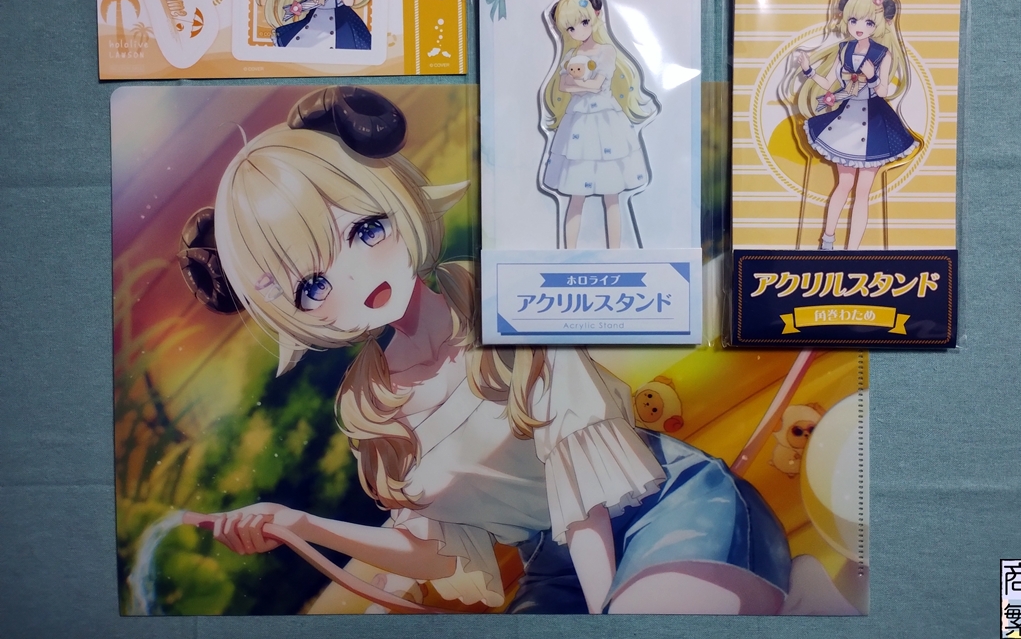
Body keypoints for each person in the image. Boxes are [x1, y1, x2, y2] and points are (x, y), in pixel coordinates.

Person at [178, 86, 794, 614]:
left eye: (366, 229)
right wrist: (302, 526)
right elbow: (435, 551)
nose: (358, 276)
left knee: (646, 613)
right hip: (557, 561)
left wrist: (604, 614)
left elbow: (584, 492)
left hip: (664, 504)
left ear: (393, 195)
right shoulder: (371, 407)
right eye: (313, 286)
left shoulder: (503, 299)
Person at [789, 0, 918, 251]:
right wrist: (808, 70)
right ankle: (827, 241)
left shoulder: (883, 54)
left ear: (879, 23)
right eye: (854, 20)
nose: (860, 27)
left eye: (868, 22)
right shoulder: (843, 49)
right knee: (843, 184)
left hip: (874, 124)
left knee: (863, 192)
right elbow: (829, 83)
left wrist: (871, 78)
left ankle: (853, 251)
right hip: (846, 119)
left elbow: (882, 91)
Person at [540, 0, 655, 249]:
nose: (578, 31)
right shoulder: (570, 56)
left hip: (605, 122)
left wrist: (579, 85)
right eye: (570, 28)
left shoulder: (606, 52)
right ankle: (569, 253)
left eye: (584, 22)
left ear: (596, 16)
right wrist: (583, 85)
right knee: (575, 195)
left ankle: (615, 253)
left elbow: (595, 85)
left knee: (612, 195)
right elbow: (564, 86)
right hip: (578, 124)